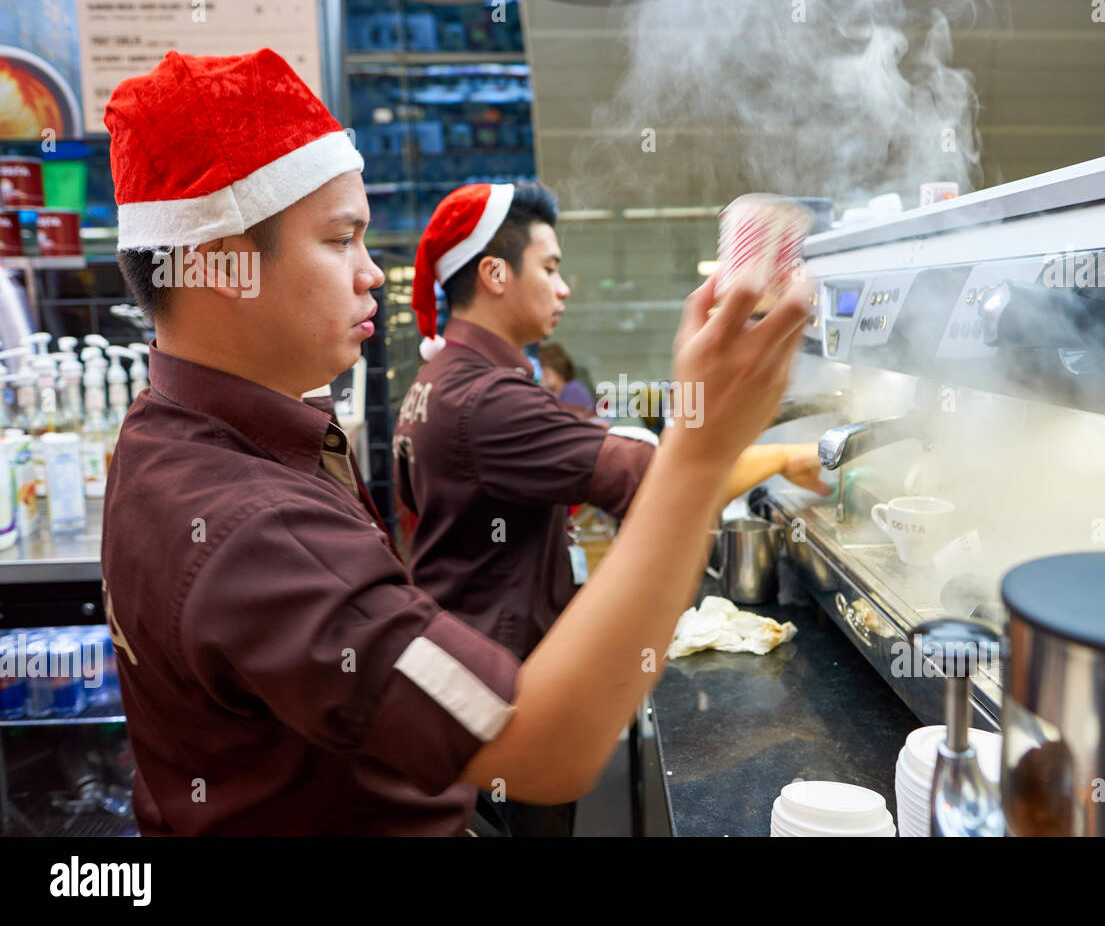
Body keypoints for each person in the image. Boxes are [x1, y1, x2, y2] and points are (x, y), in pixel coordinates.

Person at [98, 48, 810, 836]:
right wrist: (703, 451)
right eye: (340, 241)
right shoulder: (252, 523)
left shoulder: (162, 433)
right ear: (220, 267)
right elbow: (540, 751)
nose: (373, 273)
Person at [392, 182, 830, 835]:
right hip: (503, 693)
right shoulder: (485, 399)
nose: (563, 287)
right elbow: (656, 479)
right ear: (493, 274)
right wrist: (788, 456)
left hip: (467, 671)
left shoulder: (441, 380)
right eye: (549, 267)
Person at [538, 342, 596, 417]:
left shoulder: (573, 389)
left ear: (560, 372)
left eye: (547, 375)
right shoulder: (555, 392)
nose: (542, 378)